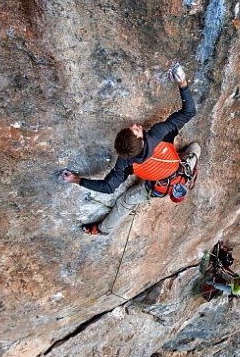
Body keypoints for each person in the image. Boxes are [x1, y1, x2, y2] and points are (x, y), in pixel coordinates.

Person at [62, 63, 200, 235]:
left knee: (124, 203)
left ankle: (103, 230)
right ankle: (189, 168)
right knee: (196, 148)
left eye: (132, 128)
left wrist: (76, 180)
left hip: (157, 188)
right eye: (135, 129)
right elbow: (189, 112)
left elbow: (108, 187)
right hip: (179, 173)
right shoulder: (160, 134)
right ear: (142, 137)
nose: (135, 125)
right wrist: (182, 82)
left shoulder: (125, 163)